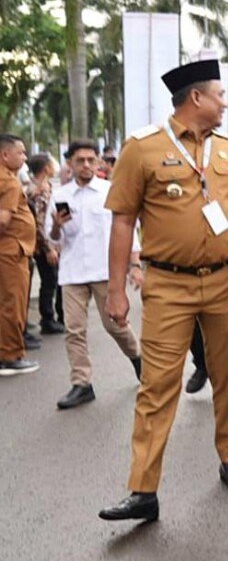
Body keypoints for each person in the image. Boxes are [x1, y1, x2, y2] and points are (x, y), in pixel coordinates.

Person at [98, 59, 228, 523]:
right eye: (219, 94)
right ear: (197, 98)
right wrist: (116, 291)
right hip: (167, 283)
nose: (224, 103)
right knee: (157, 385)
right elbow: (122, 221)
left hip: (226, 280)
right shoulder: (143, 148)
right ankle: (143, 490)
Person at [46, 139, 142, 409]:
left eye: (91, 160)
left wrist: (134, 266)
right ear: (70, 164)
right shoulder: (60, 195)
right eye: (80, 160)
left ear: (99, 162)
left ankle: (138, 359)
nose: (86, 165)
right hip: (72, 272)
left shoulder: (109, 191)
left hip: (105, 271)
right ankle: (82, 383)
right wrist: (55, 226)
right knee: (74, 330)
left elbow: (128, 230)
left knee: (116, 325)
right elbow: (53, 239)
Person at [0, 133, 39, 375]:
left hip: (10, 250)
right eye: (20, 152)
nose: (24, 157)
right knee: (12, 303)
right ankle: (11, 355)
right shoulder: (9, 182)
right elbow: (3, 221)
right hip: (11, 251)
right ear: (5, 155)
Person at [25, 153, 65, 334]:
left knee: (52, 280)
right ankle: (47, 319)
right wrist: (49, 248)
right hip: (43, 245)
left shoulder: (44, 186)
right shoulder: (38, 190)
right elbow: (39, 222)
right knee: (49, 281)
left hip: (49, 242)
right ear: (46, 168)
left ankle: (50, 317)